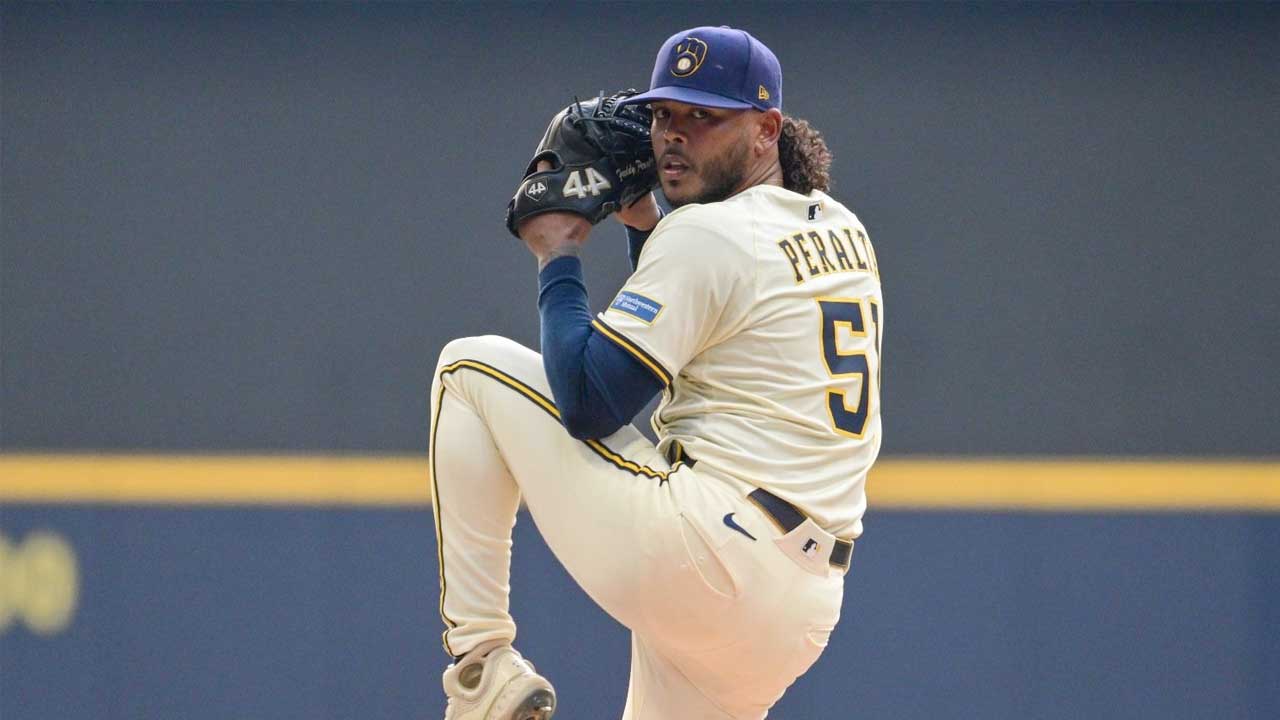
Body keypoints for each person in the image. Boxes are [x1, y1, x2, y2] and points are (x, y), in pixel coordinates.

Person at [429, 25, 884, 720]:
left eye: (705, 117)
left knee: (467, 371)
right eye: (664, 113)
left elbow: (589, 401)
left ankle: (480, 664)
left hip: (711, 552)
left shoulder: (709, 235)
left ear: (766, 130)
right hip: (797, 609)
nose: (674, 135)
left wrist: (557, 255)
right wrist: (644, 219)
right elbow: (708, 318)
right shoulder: (843, 228)